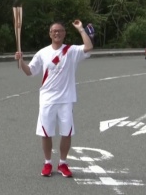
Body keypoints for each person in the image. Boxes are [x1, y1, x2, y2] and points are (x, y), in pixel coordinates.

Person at [14, 20, 93, 177]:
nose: (57, 33)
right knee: (46, 133)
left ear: (64, 34)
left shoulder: (71, 51)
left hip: (66, 99)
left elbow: (89, 47)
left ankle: (63, 163)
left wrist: (81, 29)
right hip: (47, 99)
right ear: (50, 34)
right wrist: (20, 61)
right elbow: (30, 71)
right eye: (54, 31)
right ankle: (48, 162)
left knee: (66, 132)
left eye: (60, 31)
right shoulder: (43, 53)